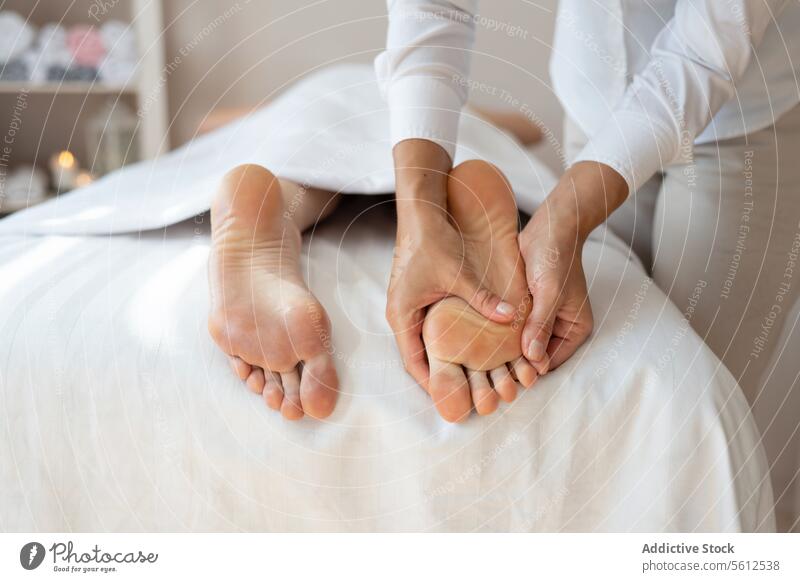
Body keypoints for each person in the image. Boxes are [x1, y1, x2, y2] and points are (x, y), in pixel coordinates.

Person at [377, 0, 800, 412]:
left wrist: (564, 217)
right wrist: (418, 222)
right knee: (598, 369)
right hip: (595, 106)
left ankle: (494, 307)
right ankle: (496, 291)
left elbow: (708, 46)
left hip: (739, 123)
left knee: (689, 394)